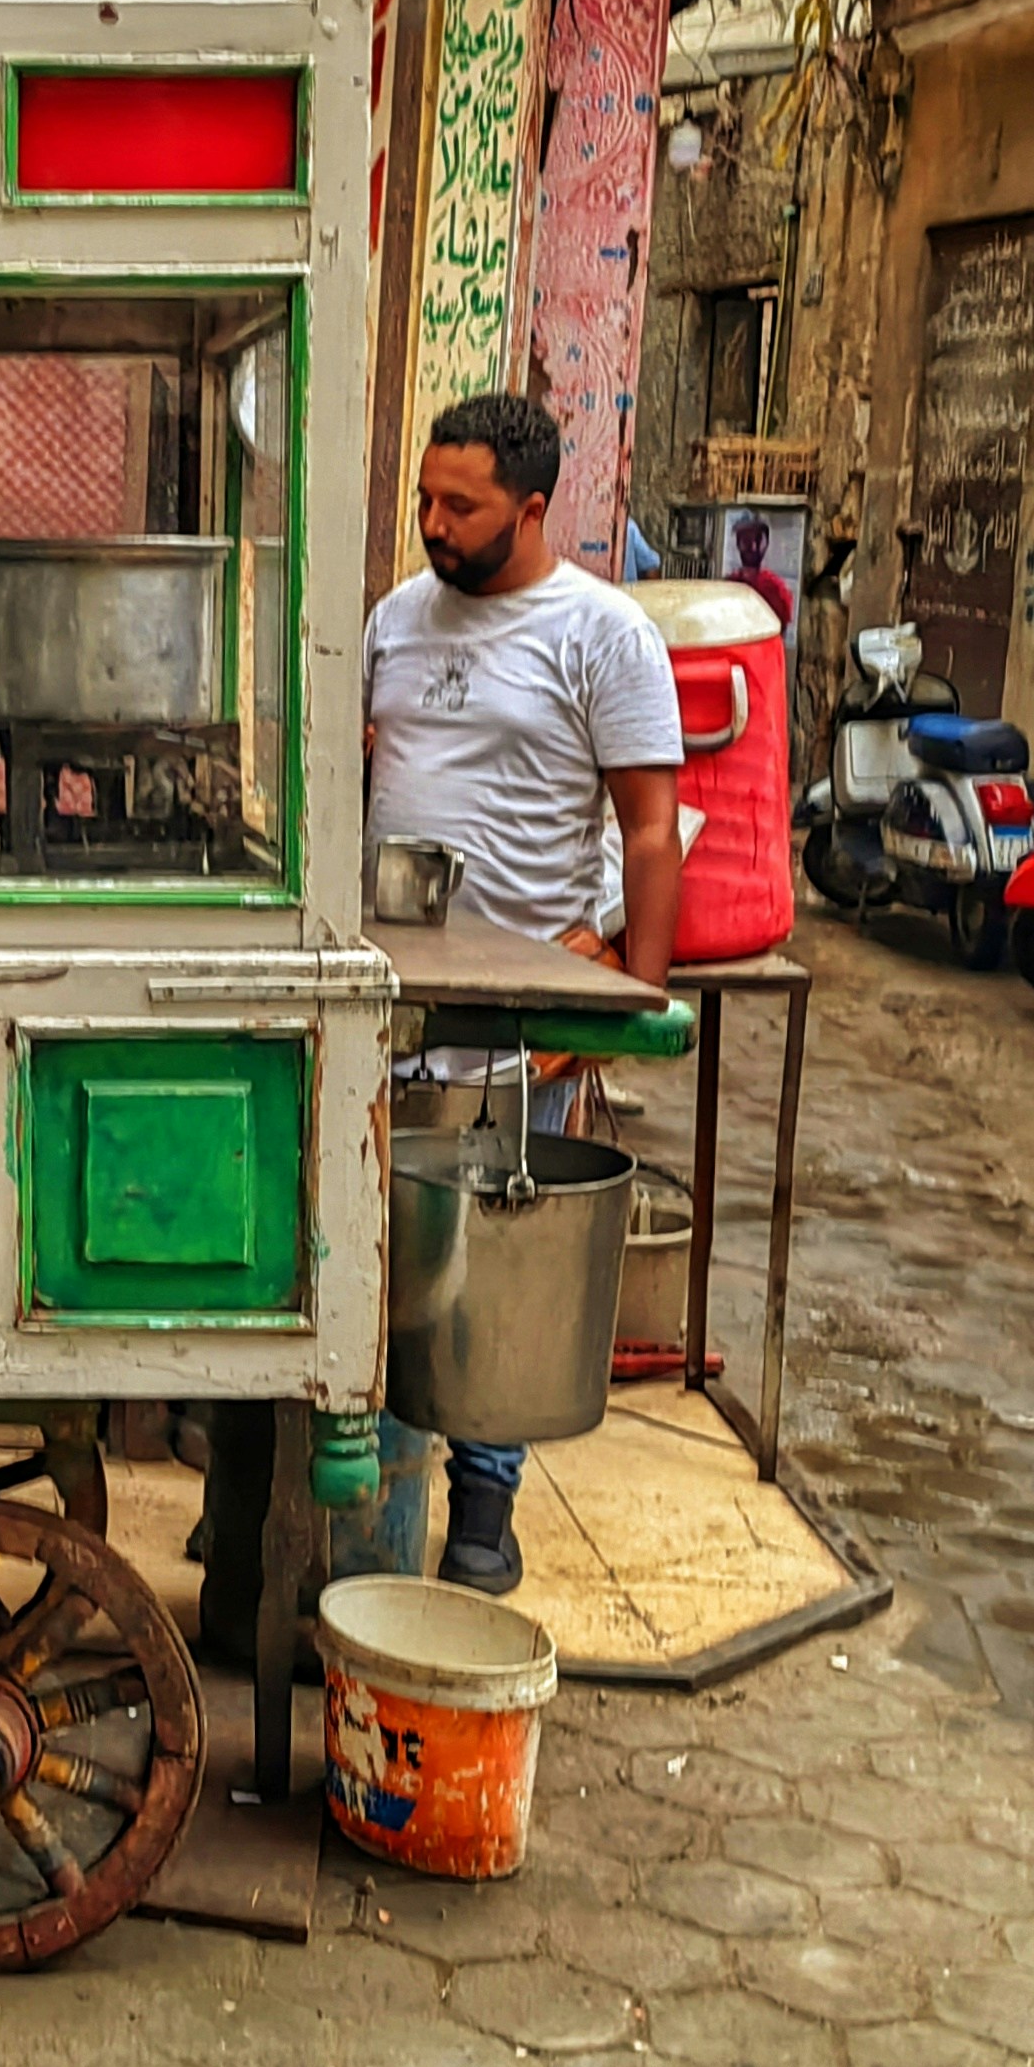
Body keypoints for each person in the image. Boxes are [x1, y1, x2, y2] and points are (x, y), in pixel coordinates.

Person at [366, 391, 685, 1596]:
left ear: (533, 507)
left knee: (488, 1276)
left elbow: (650, 832)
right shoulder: (397, 618)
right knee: (376, 1256)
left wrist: (624, 1000)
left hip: (514, 1020)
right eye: (424, 501)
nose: (433, 525)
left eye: (461, 506)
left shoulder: (600, 634)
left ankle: (482, 1511)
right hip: (390, 996)